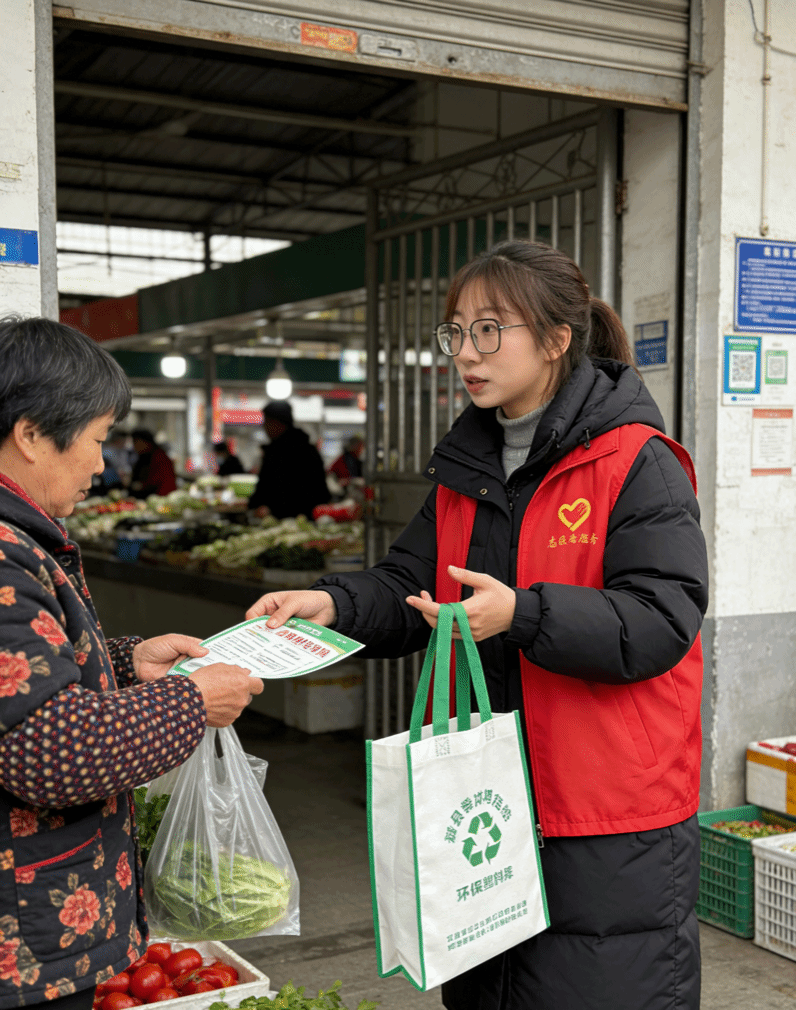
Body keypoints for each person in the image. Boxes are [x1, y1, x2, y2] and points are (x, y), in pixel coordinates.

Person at [246, 241, 708, 1010]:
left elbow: (662, 618)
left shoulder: (637, 462)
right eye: (456, 331)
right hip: (484, 797)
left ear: (556, 339)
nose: (466, 352)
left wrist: (522, 613)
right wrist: (333, 605)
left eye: (489, 330)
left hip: (604, 813)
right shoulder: (469, 469)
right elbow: (410, 583)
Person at [0, 317, 264, 1010]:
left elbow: (24, 684)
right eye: (96, 440)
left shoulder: (21, 540)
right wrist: (191, 703)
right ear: (31, 435)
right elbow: (44, 749)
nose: (101, 465)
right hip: (23, 943)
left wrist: (124, 662)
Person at [248, 400, 330, 519]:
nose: (264, 426)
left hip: (282, 520)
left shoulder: (277, 453)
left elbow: (274, 488)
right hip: (308, 520)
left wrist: (265, 506)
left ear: (276, 422)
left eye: (266, 421)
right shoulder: (308, 449)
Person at [129, 429, 177, 497]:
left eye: (135, 442)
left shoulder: (158, 456)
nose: (134, 446)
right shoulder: (145, 455)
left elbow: (158, 479)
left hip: (161, 496)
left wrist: (142, 485)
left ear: (144, 442)